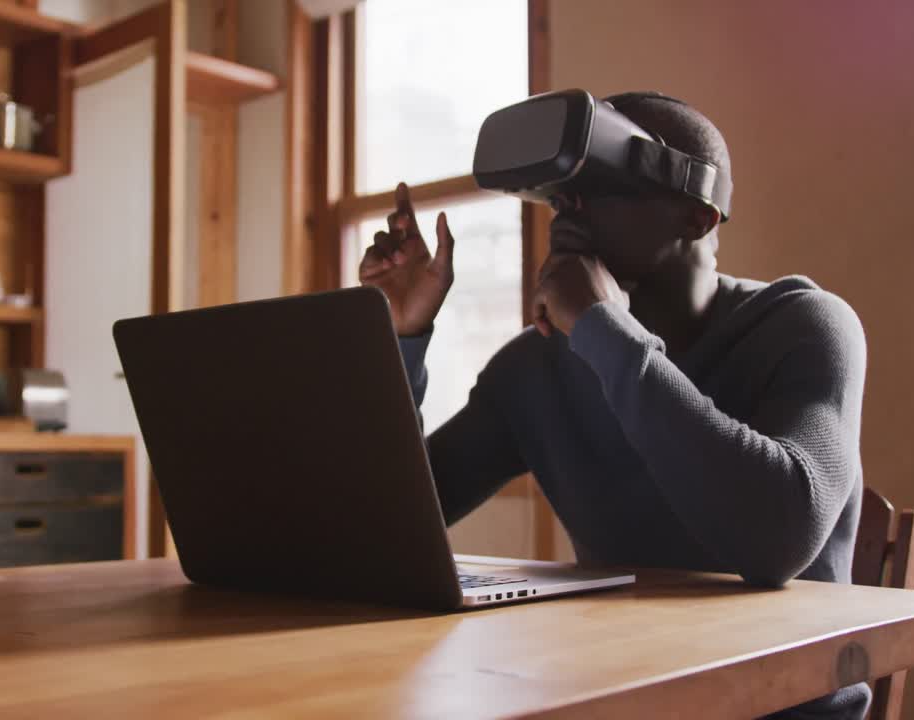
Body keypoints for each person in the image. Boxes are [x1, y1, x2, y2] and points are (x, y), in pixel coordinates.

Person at [359, 93, 870, 720]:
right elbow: (386, 526)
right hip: (619, 701)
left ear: (698, 217)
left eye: (597, 186)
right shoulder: (537, 369)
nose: (568, 209)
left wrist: (605, 329)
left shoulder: (805, 325)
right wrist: (400, 339)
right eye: (558, 194)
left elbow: (776, 538)